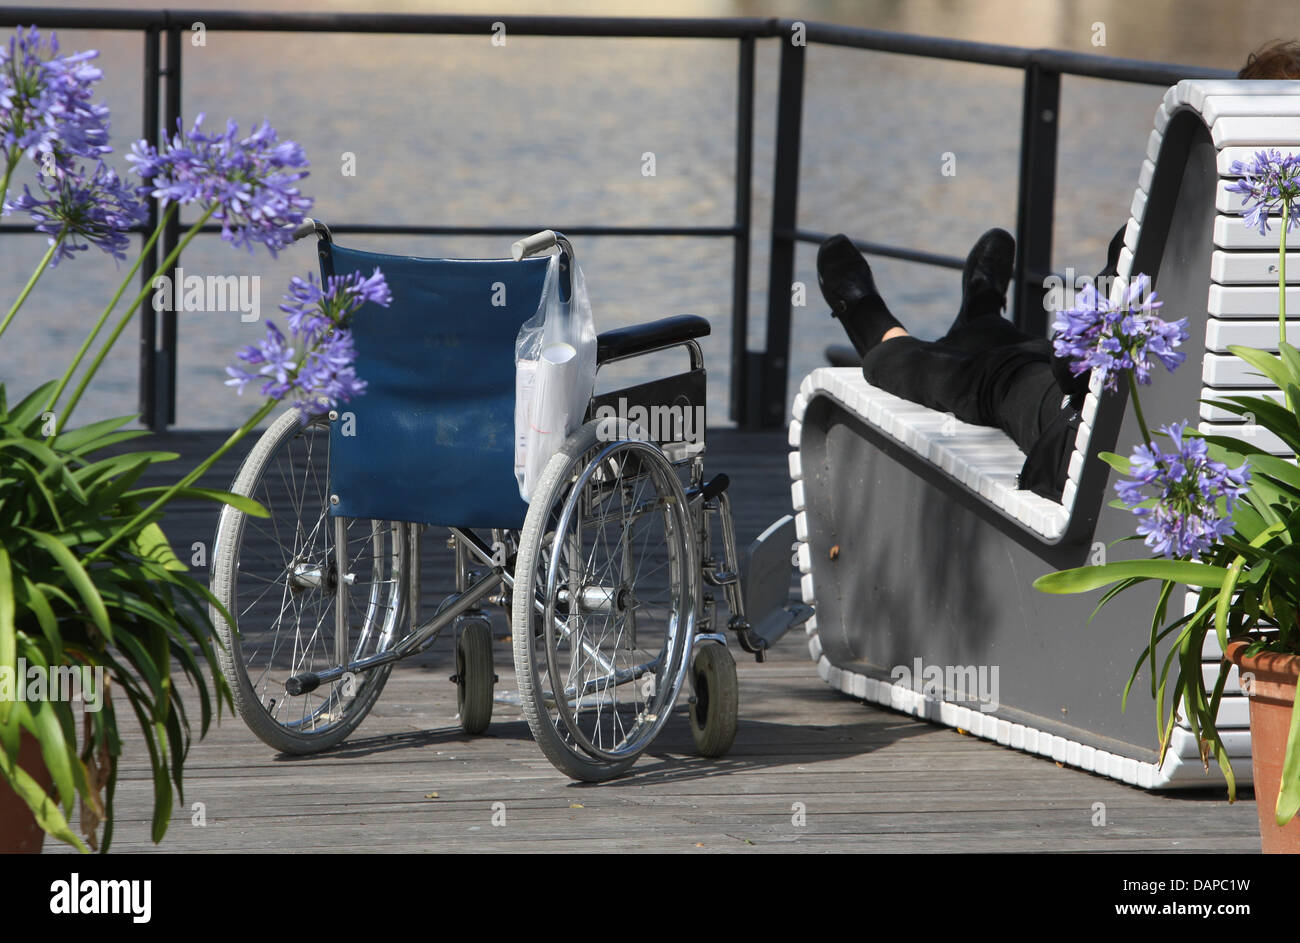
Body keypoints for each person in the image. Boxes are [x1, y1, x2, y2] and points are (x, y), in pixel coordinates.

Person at [818, 39, 1300, 501]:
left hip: (1122, 459)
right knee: (1025, 352)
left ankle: (880, 335)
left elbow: (1075, 365)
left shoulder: (1183, 221)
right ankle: (982, 320)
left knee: (995, 376)